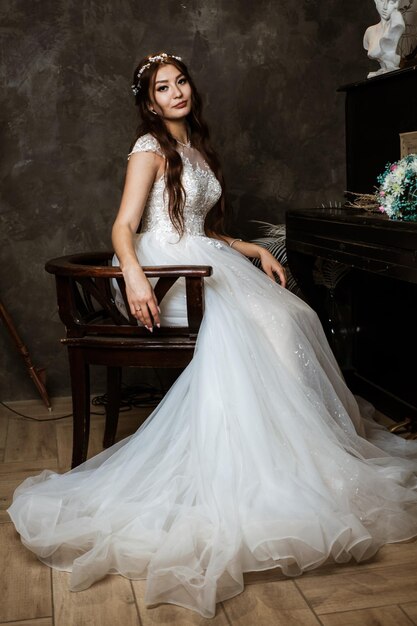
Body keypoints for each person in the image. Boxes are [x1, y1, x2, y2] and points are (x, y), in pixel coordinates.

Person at [8, 52, 417, 619]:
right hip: (167, 271)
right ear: (149, 101)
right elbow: (124, 226)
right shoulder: (149, 149)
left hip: (202, 257)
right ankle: (267, 468)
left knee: (291, 317)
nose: (176, 92)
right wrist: (133, 276)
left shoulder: (196, 148)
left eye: (181, 82)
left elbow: (199, 227)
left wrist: (246, 247)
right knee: (255, 326)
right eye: (162, 87)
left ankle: (301, 457)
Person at [364, 0, 405, 78]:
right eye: (382, 1)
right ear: (376, 2)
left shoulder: (397, 25)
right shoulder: (370, 31)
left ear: (397, 4)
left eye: (391, 2)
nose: (385, 7)